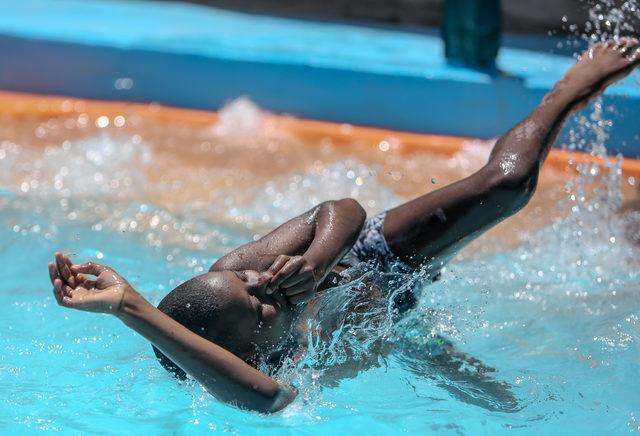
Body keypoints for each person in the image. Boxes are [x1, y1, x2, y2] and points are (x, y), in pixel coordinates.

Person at [49, 39, 640, 413]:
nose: (261, 286)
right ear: (255, 353)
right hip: (390, 325)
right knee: (508, 410)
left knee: (505, 187)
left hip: (371, 262)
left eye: (251, 283)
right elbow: (265, 400)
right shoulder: (266, 378)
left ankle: (565, 92)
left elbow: (345, 210)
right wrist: (131, 309)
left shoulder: (236, 274)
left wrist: (318, 260)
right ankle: (425, 349)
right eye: (258, 309)